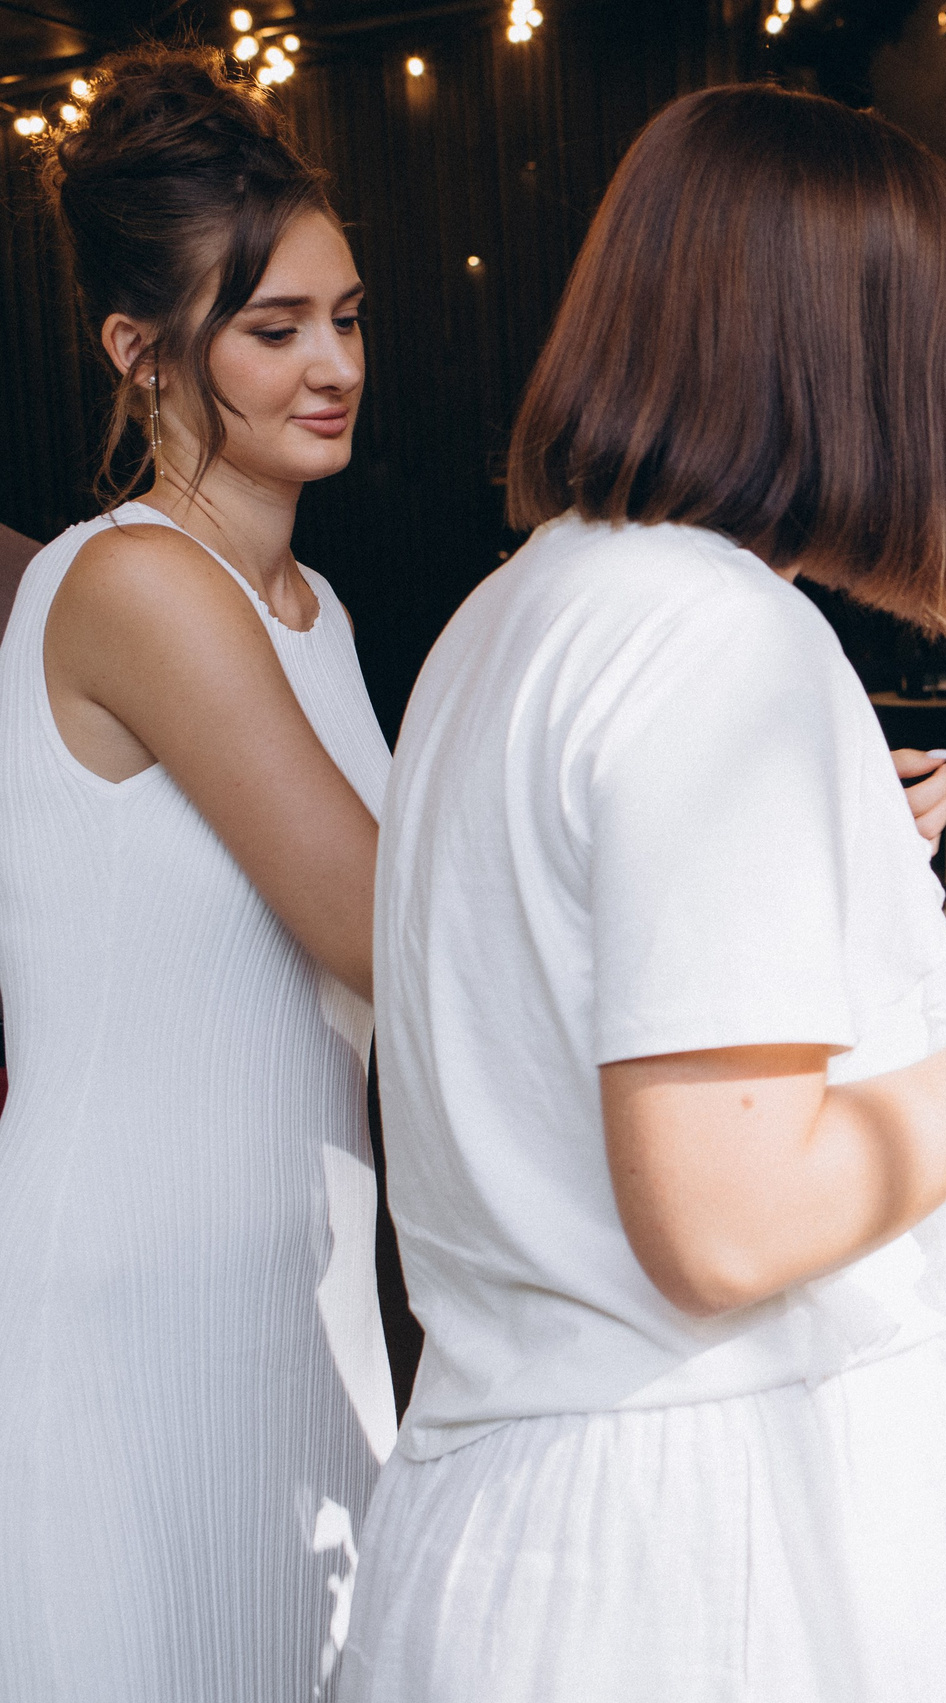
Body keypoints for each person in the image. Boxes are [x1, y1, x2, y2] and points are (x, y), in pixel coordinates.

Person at [339, 87, 946, 1703]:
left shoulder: (510, 614)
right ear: (857, 361)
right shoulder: (718, 639)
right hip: (705, 1549)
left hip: (521, 1523)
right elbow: (730, 1215)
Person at [0, 47, 393, 1702]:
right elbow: (388, 929)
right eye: (274, 328)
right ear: (139, 349)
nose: (335, 365)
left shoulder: (317, 609)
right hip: (140, 1295)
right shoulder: (137, 586)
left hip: (302, 1275)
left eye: (348, 318)